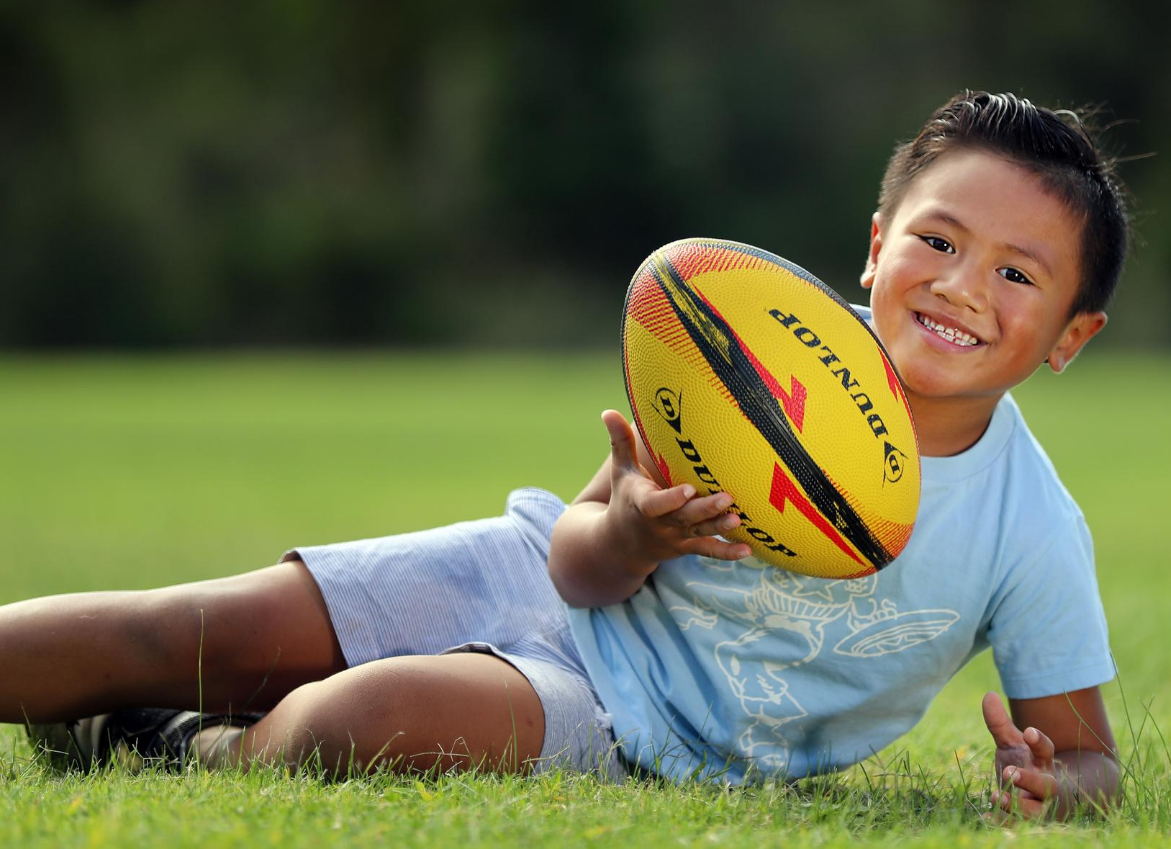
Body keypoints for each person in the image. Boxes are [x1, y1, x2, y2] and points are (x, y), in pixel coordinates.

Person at [9, 91, 1127, 821]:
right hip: (524, 568)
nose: (958, 286)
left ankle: (171, 742)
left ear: (1071, 337)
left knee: (359, 721)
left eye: (1016, 275)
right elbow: (574, 569)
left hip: (634, 723)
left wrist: (1048, 784)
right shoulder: (753, 346)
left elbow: (1090, 758)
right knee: (191, 627)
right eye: (936, 240)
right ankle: (125, 684)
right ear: (879, 244)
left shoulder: (1025, 531)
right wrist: (632, 530)